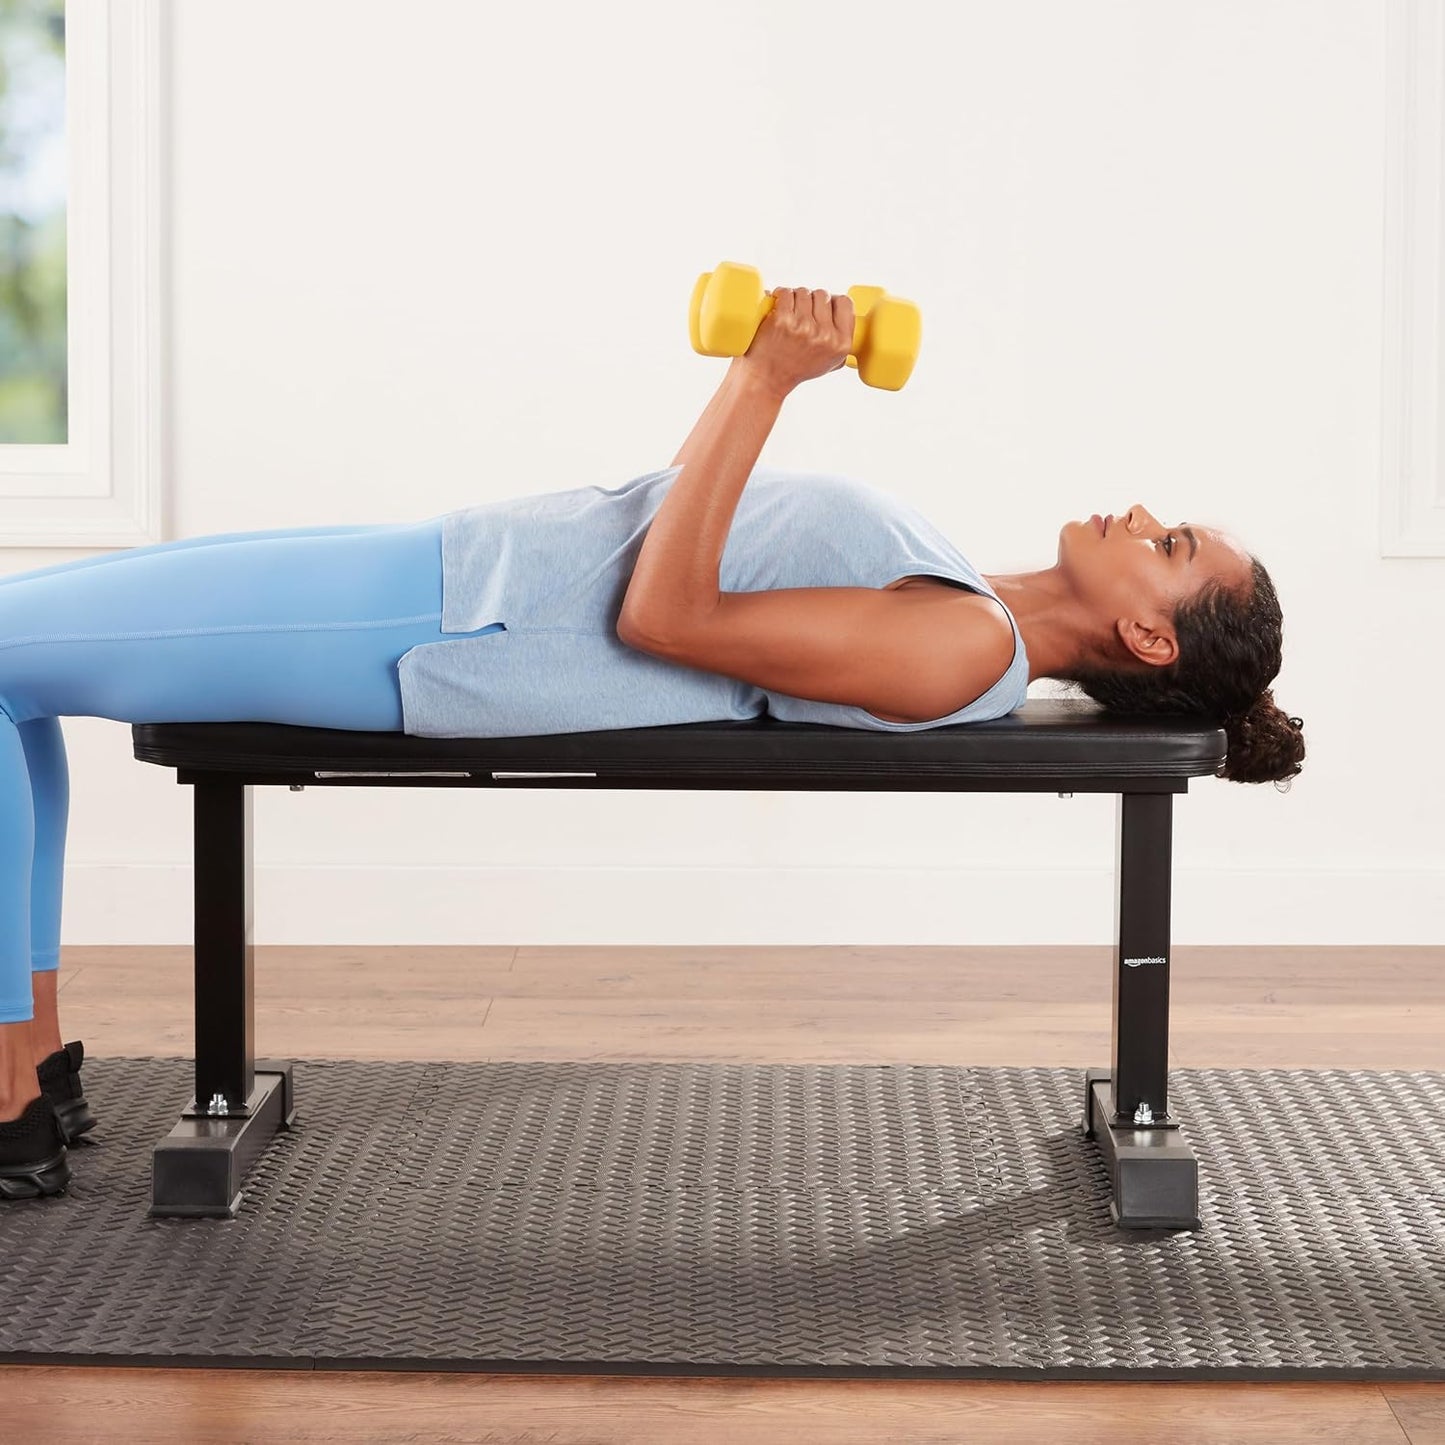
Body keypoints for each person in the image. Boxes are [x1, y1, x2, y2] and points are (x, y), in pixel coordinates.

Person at [0, 286, 1305, 1201]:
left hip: (436, 626)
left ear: (1145, 633)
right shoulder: (965, 596)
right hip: (434, 574)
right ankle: (30, 1070)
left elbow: (665, 612)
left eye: (1170, 544)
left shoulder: (960, 650)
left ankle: (7, 1095)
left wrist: (761, 379)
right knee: (17, 669)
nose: (1143, 515)